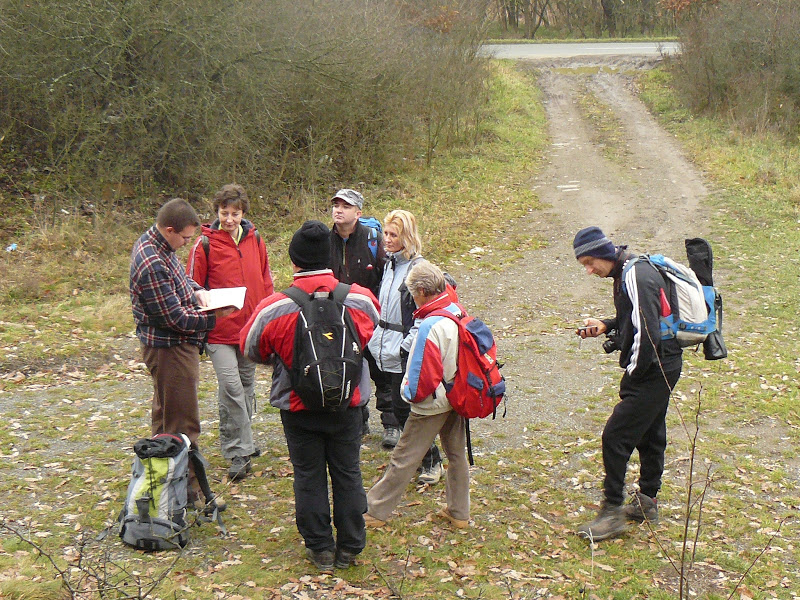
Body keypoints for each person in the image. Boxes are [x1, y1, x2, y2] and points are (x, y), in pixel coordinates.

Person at [239, 220, 379, 572]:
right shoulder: (361, 299)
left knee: (308, 474)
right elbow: (371, 335)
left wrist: (283, 357)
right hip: (348, 402)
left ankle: (319, 548)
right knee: (348, 471)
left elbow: (250, 346)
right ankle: (350, 546)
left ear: (294, 260)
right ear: (330, 257)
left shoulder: (275, 308)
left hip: (297, 405)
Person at [573, 226, 683, 541]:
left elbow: (646, 334)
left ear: (604, 253)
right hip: (665, 363)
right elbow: (637, 317)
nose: (589, 270)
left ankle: (611, 515)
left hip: (654, 367)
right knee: (650, 431)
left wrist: (631, 377)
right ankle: (647, 502)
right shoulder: (628, 271)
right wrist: (606, 325)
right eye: (585, 265)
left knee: (615, 436)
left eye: (590, 262)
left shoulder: (634, 275)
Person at [129, 198, 234, 501]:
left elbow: (180, 279)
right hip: (170, 350)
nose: (188, 244)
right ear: (170, 229)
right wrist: (215, 317)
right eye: (186, 238)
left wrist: (199, 292)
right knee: (183, 422)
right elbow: (174, 318)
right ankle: (187, 489)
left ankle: (162, 480)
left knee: (166, 417)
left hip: (172, 347)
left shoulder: (162, 248)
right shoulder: (152, 262)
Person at [364, 259, 470, 529]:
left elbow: (420, 376)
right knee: (456, 454)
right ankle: (459, 512)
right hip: (456, 396)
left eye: (412, 293)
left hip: (431, 403)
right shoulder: (456, 310)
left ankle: (375, 511)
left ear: (421, 291)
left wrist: (406, 394)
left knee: (404, 457)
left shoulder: (429, 325)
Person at [187, 184, 274, 481]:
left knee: (247, 386)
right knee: (232, 388)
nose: (229, 219)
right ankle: (239, 450)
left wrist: (267, 318)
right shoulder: (204, 245)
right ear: (216, 212)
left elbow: (265, 278)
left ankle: (243, 440)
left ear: (243, 214)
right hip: (217, 331)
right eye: (224, 213)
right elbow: (192, 287)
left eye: (235, 214)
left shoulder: (255, 239)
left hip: (249, 329)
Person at [366, 209, 444, 484]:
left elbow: (426, 313)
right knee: (397, 406)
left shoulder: (418, 269)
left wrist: (407, 347)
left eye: (393, 235)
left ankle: (431, 460)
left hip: (403, 348)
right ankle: (418, 458)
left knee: (406, 408)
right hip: (385, 345)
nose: (386, 239)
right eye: (385, 234)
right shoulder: (389, 265)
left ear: (406, 237)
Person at [328, 188, 391, 437]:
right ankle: (358, 419)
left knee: (380, 369)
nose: (338, 210)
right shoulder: (324, 239)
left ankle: (391, 423)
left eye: (345, 206)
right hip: (337, 317)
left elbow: (386, 276)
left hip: (370, 317)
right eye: (336, 205)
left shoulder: (372, 240)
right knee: (347, 369)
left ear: (358, 212)